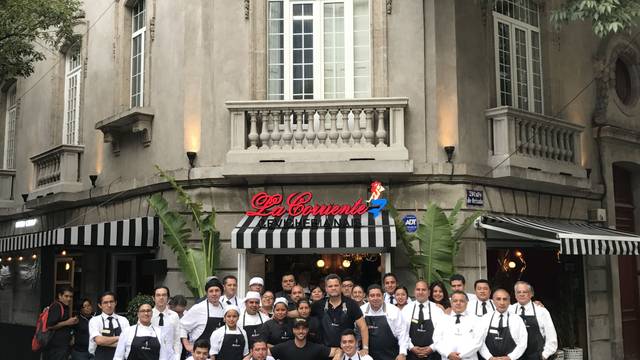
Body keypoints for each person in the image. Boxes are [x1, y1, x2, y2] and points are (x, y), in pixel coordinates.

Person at [310, 274, 369, 352]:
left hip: (346, 351)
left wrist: (365, 348)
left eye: (336, 285)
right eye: (330, 286)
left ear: (341, 287)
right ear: (326, 289)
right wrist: (288, 313)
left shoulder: (351, 304)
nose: (333, 288)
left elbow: (363, 326)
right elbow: (302, 312)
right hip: (325, 352)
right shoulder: (318, 305)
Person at [509, 281, 557, 360]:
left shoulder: (541, 311)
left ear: (531, 294)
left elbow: (551, 337)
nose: (521, 294)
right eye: (518, 292)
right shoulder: (510, 310)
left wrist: (544, 355)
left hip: (536, 356)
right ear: (515, 295)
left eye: (525, 292)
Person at [432, 291, 486, 360]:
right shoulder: (442, 320)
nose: (458, 303)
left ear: (466, 303)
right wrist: (448, 354)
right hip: (448, 358)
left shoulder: (476, 320)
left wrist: (460, 355)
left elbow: (478, 342)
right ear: (451, 303)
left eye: (461, 301)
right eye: (455, 301)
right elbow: (437, 340)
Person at [361, 284, 409, 360]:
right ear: (367, 297)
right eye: (372, 295)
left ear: (383, 296)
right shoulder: (361, 311)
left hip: (391, 355)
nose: (375, 298)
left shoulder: (394, 311)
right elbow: (357, 333)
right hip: (368, 356)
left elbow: (402, 333)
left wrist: (402, 353)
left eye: (378, 295)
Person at [479, 289, 528, 360]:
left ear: (509, 301)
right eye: (498, 299)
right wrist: (489, 357)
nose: (502, 302)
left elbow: (523, 343)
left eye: (505, 299)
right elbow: (480, 342)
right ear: (493, 301)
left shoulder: (517, 319)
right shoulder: (485, 318)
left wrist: (511, 357)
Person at [181, 278, 226, 354]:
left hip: (218, 353)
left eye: (217, 290)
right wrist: (187, 345)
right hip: (199, 354)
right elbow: (181, 326)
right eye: (211, 291)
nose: (214, 294)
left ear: (221, 292)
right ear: (207, 293)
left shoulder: (225, 308)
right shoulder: (198, 308)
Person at [401, 280, 443, 360]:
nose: (420, 292)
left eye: (423, 290)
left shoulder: (437, 310)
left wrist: (431, 348)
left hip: (433, 355)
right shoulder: (406, 309)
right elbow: (403, 333)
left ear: (429, 292)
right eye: (418, 289)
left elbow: (442, 334)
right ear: (414, 291)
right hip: (411, 355)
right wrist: (411, 347)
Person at [270, 318, 340, 360]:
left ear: (307, 330)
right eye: (297, 329)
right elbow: (262, 353)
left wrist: (337, 356)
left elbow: (338, 350)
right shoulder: (283, 347)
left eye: (303, 329)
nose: (301, 331)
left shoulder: (315, 348)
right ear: (293, 330)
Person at [89, 291, 131, 360]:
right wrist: (120, 338)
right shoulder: (95, 321)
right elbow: (99, 340)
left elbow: (128, 341)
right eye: (105, 302)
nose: (109, 305)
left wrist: (105, 341)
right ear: (100, 305)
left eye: (111, 302)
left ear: (115, 303)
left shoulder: (123, 320)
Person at [44, 286, 78, 360]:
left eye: (71, 296)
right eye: (66, 296)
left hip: (62, 345)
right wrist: (67, 322)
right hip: (56, 347)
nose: (69, 299)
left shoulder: (65, 307)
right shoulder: (56, 306)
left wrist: (71, 335)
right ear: (60, 296)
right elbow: (49, 326)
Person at [152, 286, 182, 360]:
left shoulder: (174, 316)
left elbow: (177, 340)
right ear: (153, 298)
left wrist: (177, 357)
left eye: (164, 295)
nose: (161, 298)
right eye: (158, 295)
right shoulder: (148, 315)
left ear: (168, 298)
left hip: (170, 356)